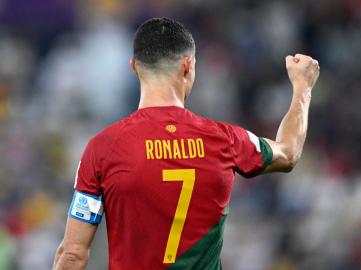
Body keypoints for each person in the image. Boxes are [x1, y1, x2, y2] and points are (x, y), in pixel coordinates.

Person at [52, 17, 320, 270]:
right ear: (188, 65)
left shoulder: (103, 148)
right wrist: (302, 88)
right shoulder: (224, 139)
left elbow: (73, 254)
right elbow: (288, 152)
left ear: (134, 66)